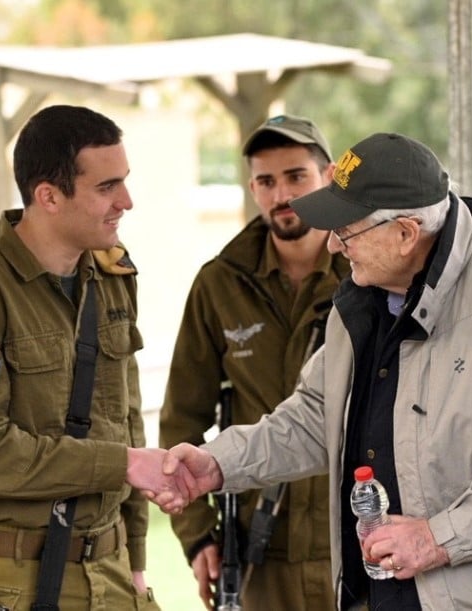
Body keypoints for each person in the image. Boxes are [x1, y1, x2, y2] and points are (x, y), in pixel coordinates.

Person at [153, 132, 472, 609]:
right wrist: (218, 464)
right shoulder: (362, 296)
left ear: (406, 233)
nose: (332, 245)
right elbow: (312, 420)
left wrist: (437, 537)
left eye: (347, 229)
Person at [0, 104, 176, 611]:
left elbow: (126, 419)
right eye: (106, 187)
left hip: (112, 571)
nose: (126, 201)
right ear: (48, 196)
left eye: (123, 181)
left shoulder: (112, 277)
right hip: (14, 582)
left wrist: (136, 554)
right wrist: (122, 464)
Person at [158, 115, 347, 610]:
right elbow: (182, 418)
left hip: (357, 543)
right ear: (252, 188)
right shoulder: (220, 284)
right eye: (266, 181)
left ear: (328, 177)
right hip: (260, 549)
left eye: (296, 176)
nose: (281, 194)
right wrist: (198, 538)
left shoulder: (367, 272)